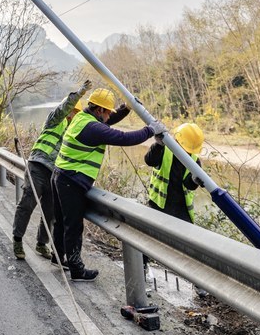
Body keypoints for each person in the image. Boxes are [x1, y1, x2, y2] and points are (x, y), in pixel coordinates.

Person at [52, 88, 155, 281]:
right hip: (72, 181)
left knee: (60, 221)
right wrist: (150, 130)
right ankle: (76, 269)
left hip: (60, 175)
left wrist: (125, 109)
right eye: (108, 111)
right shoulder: (93, 128)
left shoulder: (82, 118)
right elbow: (123, 138)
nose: (109, 115)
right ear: (99, 110)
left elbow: (107, 123)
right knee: (73, 226)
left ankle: (57, 256)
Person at [11, 79, 93, 261]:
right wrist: (79, 94)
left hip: (54, 174)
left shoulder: (75, 132)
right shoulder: (54, 120)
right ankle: (17, 239)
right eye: (73, 111)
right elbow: (62, 108)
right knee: (28, 202)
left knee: (51, 211)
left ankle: (41, 243)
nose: (73, 115)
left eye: (77, 112)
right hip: (37, 166)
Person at [144, 122, 205, 292]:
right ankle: (141, 268)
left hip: (181, 208)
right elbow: (149, 161)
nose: (185, 151)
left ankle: (199, 283)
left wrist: (195, 181)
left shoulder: (194, 160)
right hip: (159, 203)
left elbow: (189, 185)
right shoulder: (164, 150)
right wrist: (157, 144)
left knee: (190, 246)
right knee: (148, 238)